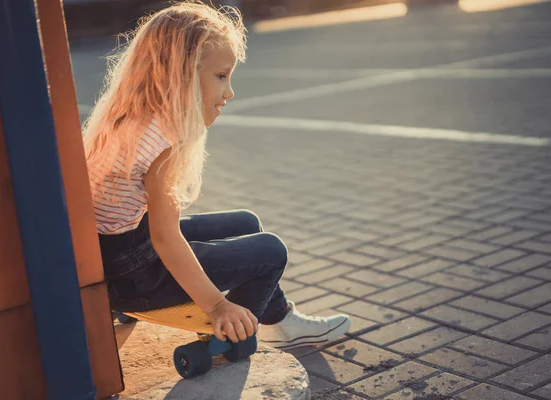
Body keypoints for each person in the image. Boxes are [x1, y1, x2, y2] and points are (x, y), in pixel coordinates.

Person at [83, 1, 350, 350]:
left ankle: (278, 317)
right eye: (220, 76)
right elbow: (165, 239)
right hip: (135, 278)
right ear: (180, 74)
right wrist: (217, 304)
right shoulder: (162, 139)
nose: (229, 91)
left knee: (245, 222)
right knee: (270, 251)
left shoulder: (129, 118)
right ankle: (232, 333)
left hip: (119, 255)